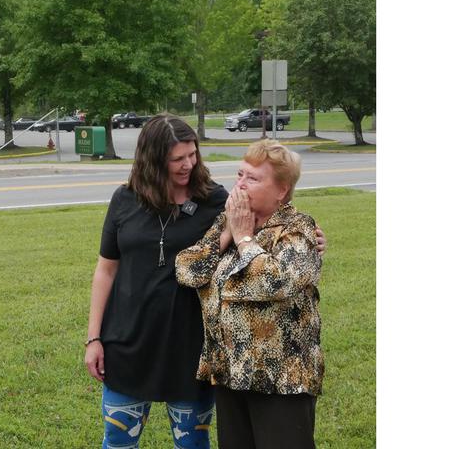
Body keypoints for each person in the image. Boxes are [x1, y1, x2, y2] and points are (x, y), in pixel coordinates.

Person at [85, 115, 324, 449]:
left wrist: (261, 239)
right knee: (118, 440)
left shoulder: (226, 204)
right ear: (154, 160)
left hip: (227, 361)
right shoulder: (129, 200)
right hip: (154, 350)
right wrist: (94, 337)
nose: (188, 164)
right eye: (177, 158)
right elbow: (163, 268)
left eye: (192, 154)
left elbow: (274, 264)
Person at [176, 140, 323, 449]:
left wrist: (243, 238)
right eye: (240, 174)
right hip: (230, 374)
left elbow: (277, 282)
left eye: (253, 179)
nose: (240, 185)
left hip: (280, 380)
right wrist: (228, 233)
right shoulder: (227, 222)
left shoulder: (298, 229)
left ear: (281, 190)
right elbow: (187, 270)